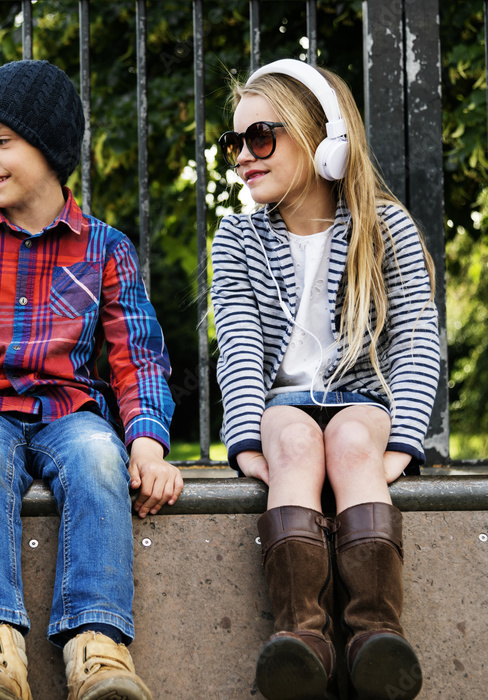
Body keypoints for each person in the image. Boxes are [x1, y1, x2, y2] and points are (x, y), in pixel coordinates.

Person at [0, 60, 181, 700]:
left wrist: (148, 445)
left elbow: (139, 356)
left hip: (71, 410)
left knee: (102, 459)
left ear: (48, 147)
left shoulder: (106, 247)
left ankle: (98, 650)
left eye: (2, 142)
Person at [211, 59, 439, 700]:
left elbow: (416, 340)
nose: (243, 157)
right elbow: (239, 343)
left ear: (325, 139)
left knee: (351, 443)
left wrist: (403, 441)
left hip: (360, 398)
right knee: (292, 442)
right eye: (234, 144)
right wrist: (246, 438)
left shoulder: (382, 227)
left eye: (260, 138)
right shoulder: (236, 238)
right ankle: (301, 636)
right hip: (284, 401)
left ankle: (375, 634)